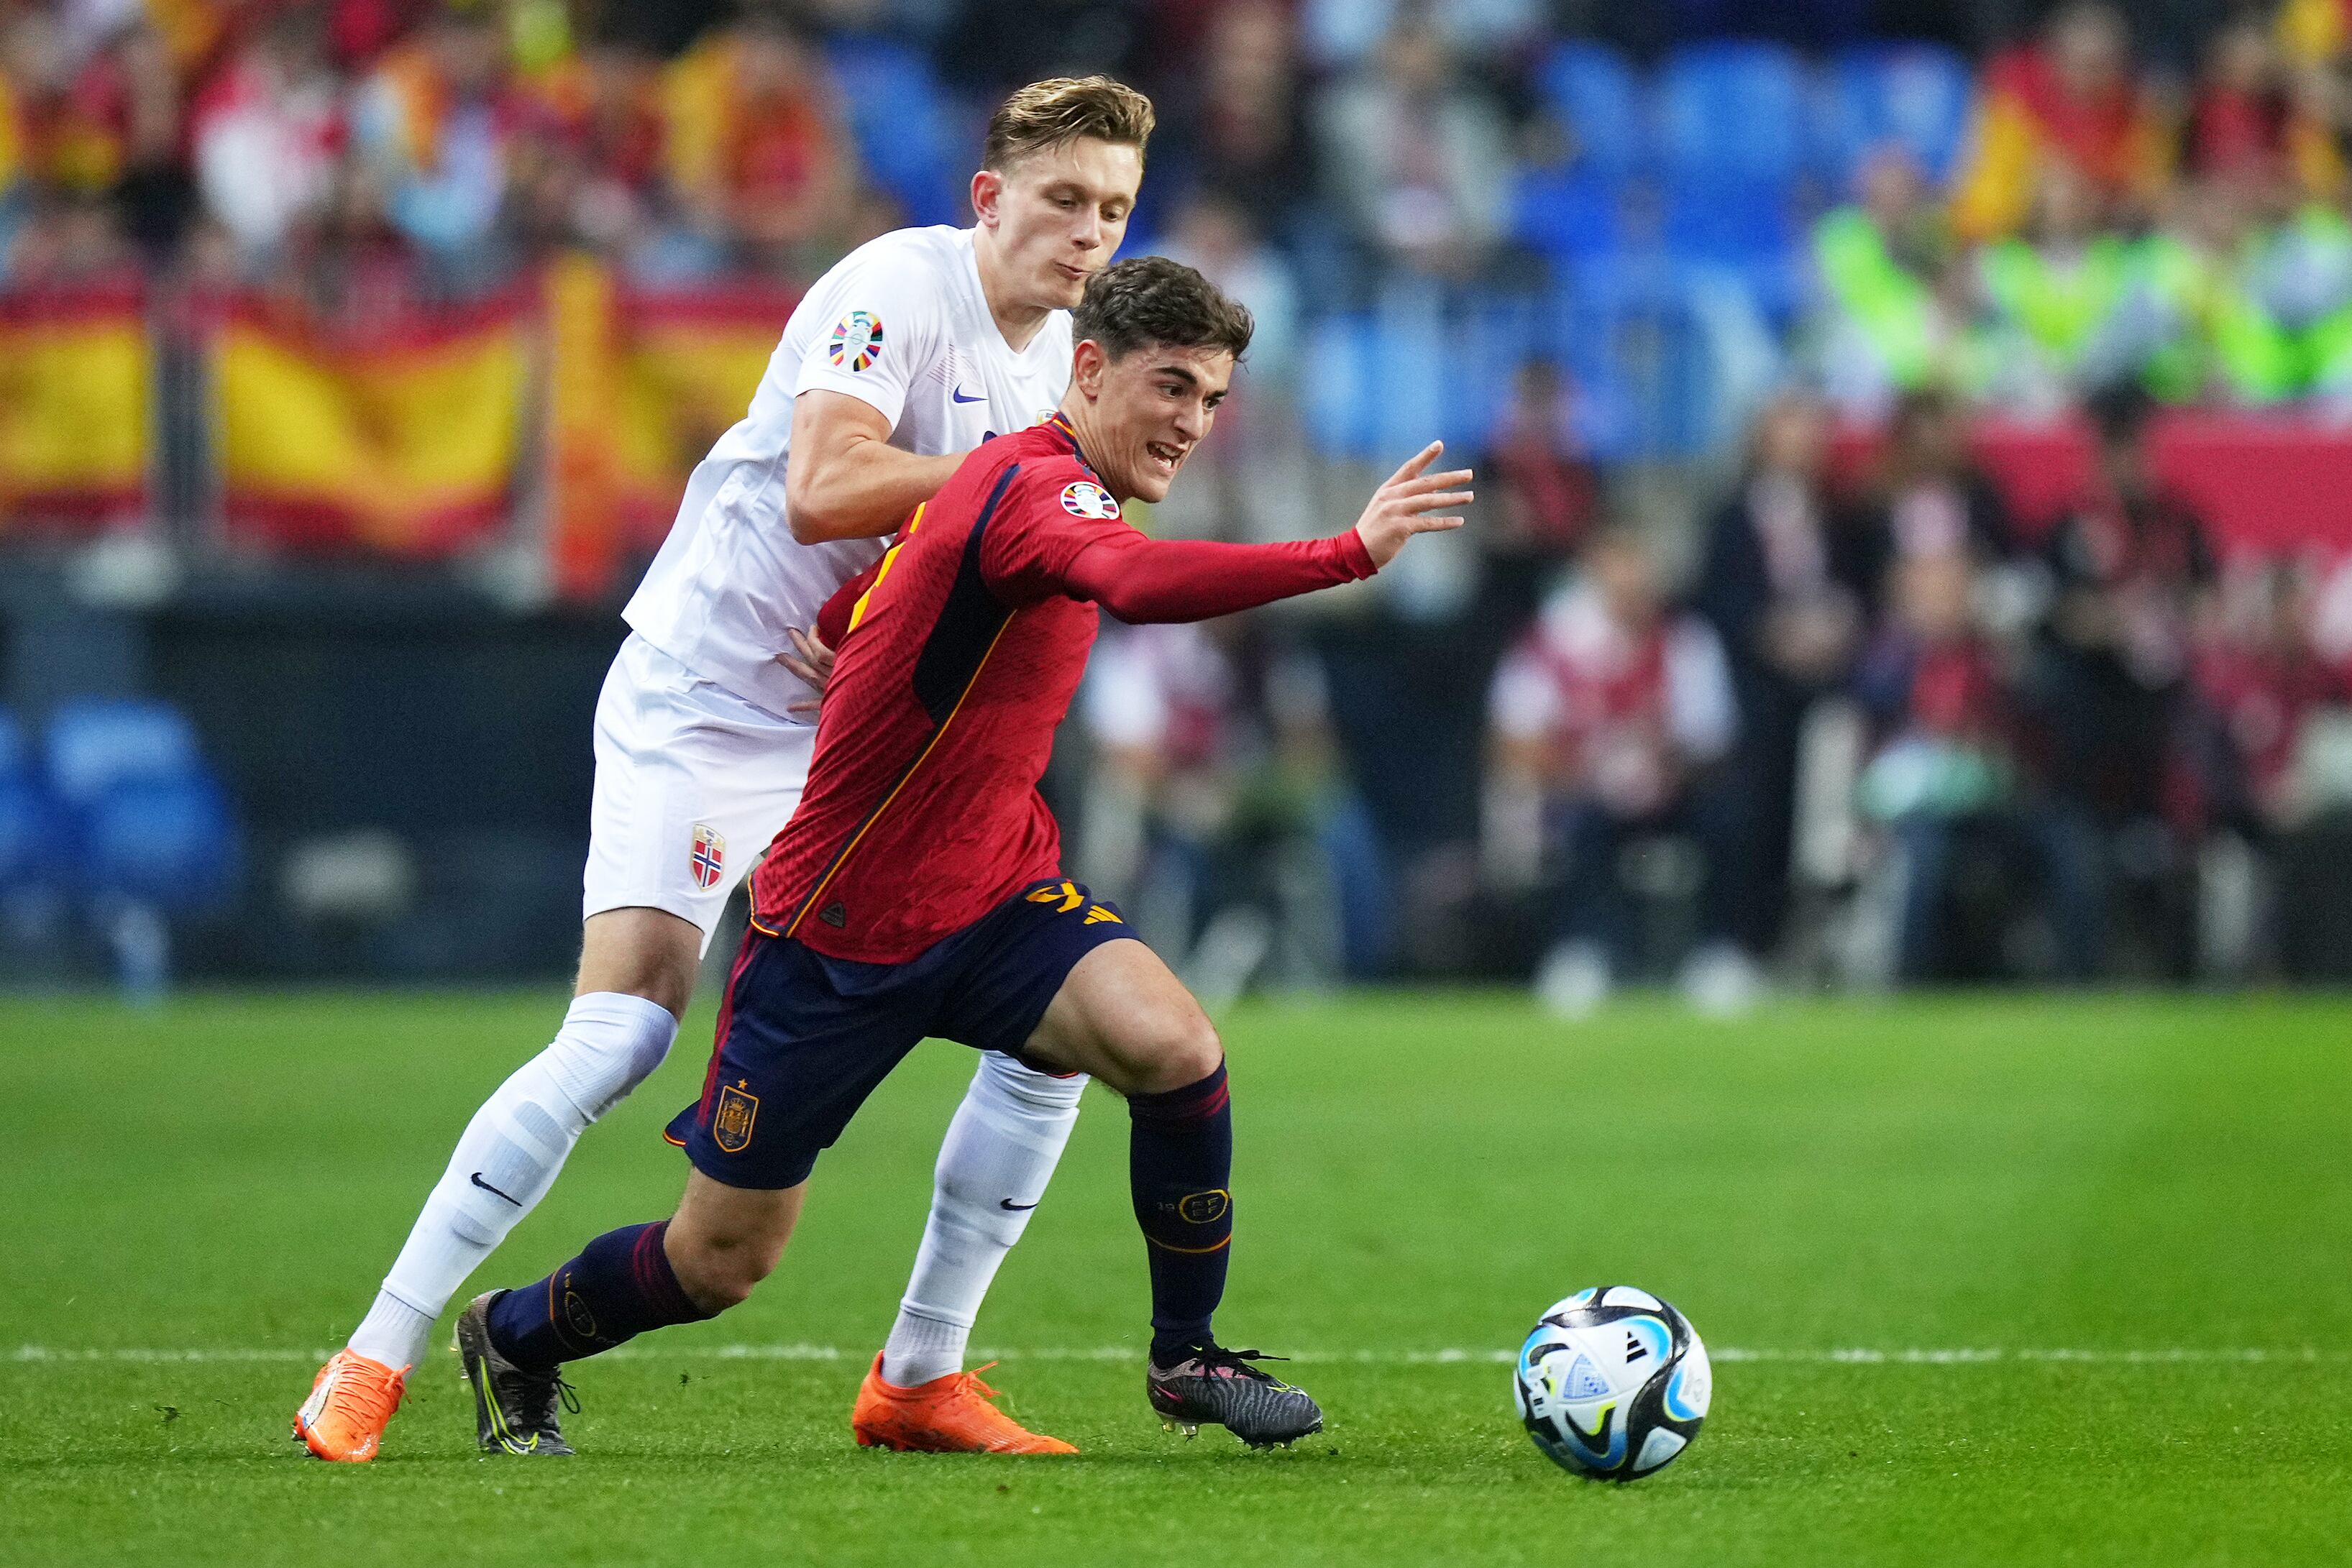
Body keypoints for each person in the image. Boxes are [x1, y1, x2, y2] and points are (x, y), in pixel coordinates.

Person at [450, 255, 1470, 1455]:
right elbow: (1133, 582)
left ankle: (1184, 1356)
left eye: (1211, 400)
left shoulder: (1010, 487)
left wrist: (861, 649)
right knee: (717, 1262)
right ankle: (515, 1332)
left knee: (1176, 1047)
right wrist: (1344, 553)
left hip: (993, 894)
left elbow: (867, 601)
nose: (1192, 423)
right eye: (1172, 387)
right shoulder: (1035, 487)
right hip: (836, 935)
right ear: (1087, 370)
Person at [296, 75, 1156, 1464]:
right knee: (626, 1028)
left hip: (855, 741)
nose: (1086, 236)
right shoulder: (896, 284)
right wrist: (1005, 478)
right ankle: (374, 1355)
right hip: (708, 697)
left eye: (1112, 211)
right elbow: (826, 484)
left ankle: (924, 1372)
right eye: (1063, 201)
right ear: (991, 197)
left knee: (1053, 1018)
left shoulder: (1070, 361)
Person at [1486, 527, 1746, 1016]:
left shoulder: (1685, 642)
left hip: (1668, 791)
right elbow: (1513, 741)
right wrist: (1586, 771)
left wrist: (1664, 768)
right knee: (1581, 828)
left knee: (1725, 815)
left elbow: (1714, 743)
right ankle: (1585, 951)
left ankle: (1716, 952)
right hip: (1581, 791)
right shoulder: (1551, 643)